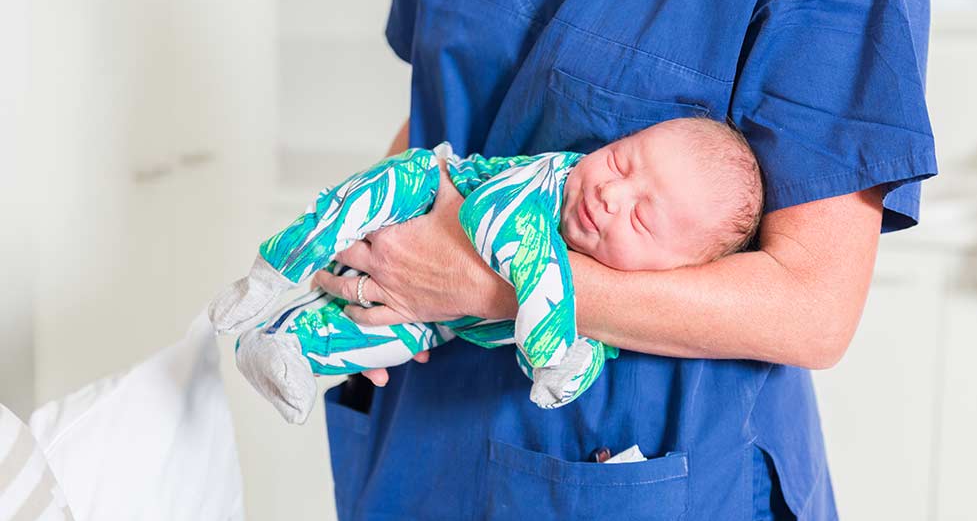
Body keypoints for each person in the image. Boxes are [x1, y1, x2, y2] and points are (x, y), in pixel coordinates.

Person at [313, 0, 938, 521]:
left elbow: (813, 309)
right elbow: (440, 106)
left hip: (636, 459)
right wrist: (373, 257)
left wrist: (491, 282)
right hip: (418, 428)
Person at [210, 118, 763, 422]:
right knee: (354, 209)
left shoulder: (615, 297)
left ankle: (279, 347)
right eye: (620, 160)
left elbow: (564, 345)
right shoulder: (548, 184)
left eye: (641, 218)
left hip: (442, 322)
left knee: (386, 335)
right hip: (424, 193)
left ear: (667, 270)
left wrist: (567, 360)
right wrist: (550, 346)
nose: (610, 193)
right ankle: (270, 274)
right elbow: (499, 227)